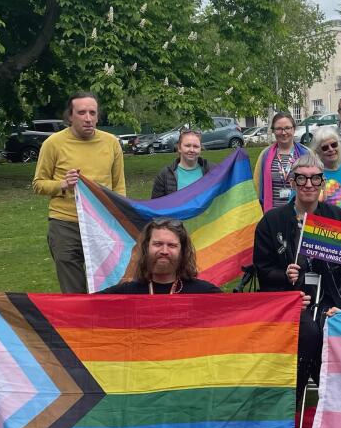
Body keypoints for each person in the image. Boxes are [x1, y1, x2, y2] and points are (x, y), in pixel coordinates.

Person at [253, 154, 341, 428]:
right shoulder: (272, 221)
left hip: (329, 296)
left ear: (322, 182)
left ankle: (338, 418)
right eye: (302, 178)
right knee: (308, 332)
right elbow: (261, 270)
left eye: (315, 178)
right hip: (287, 300)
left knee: (332, 329)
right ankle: (289, 419)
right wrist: (284, 275)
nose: (309, 184)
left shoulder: (335, 217)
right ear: (292, 182)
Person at [33, 91, 126, 293]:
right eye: (82, 112)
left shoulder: (111, 143)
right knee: (73, 290)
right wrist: (62, 184)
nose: (88, 118)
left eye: (92, 113)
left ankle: (104, 322)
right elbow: (38, 184)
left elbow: (119, 187)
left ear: (98, 116)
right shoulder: (53, 144)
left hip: (103, 224)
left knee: (107, 287)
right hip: (65, 224)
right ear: (70, 116)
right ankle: (78, 324)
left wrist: (120, 219)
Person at [99, 219, 221, 294]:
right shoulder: (126, 294)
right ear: (146, 248)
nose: (164, 251)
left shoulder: (204, 293)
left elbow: (236, 314)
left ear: (182, 251)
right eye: (158, 244)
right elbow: (84, 306)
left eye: (172, 245)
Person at [253, 112, 308, 212]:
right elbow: (256, 186)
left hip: (300, 213)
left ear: (294, 129)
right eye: (279, 129)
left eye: (287, 128)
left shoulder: (306, 154)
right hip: (272, 214)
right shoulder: (265, 155)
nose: (283, 132)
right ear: (273, 131)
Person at [151, 129, 214, 198]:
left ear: (200, 149)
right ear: (179, 148)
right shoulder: (165, 175)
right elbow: (156, 205)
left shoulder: (213, 170)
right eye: (187, 146)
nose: (192, 150)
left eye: (196, 146)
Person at [309, 126, 341, 218]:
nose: (331, 149)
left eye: (334, 145)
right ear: (317, 151)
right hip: (318, 229)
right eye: (325, 147)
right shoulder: (311, 175)